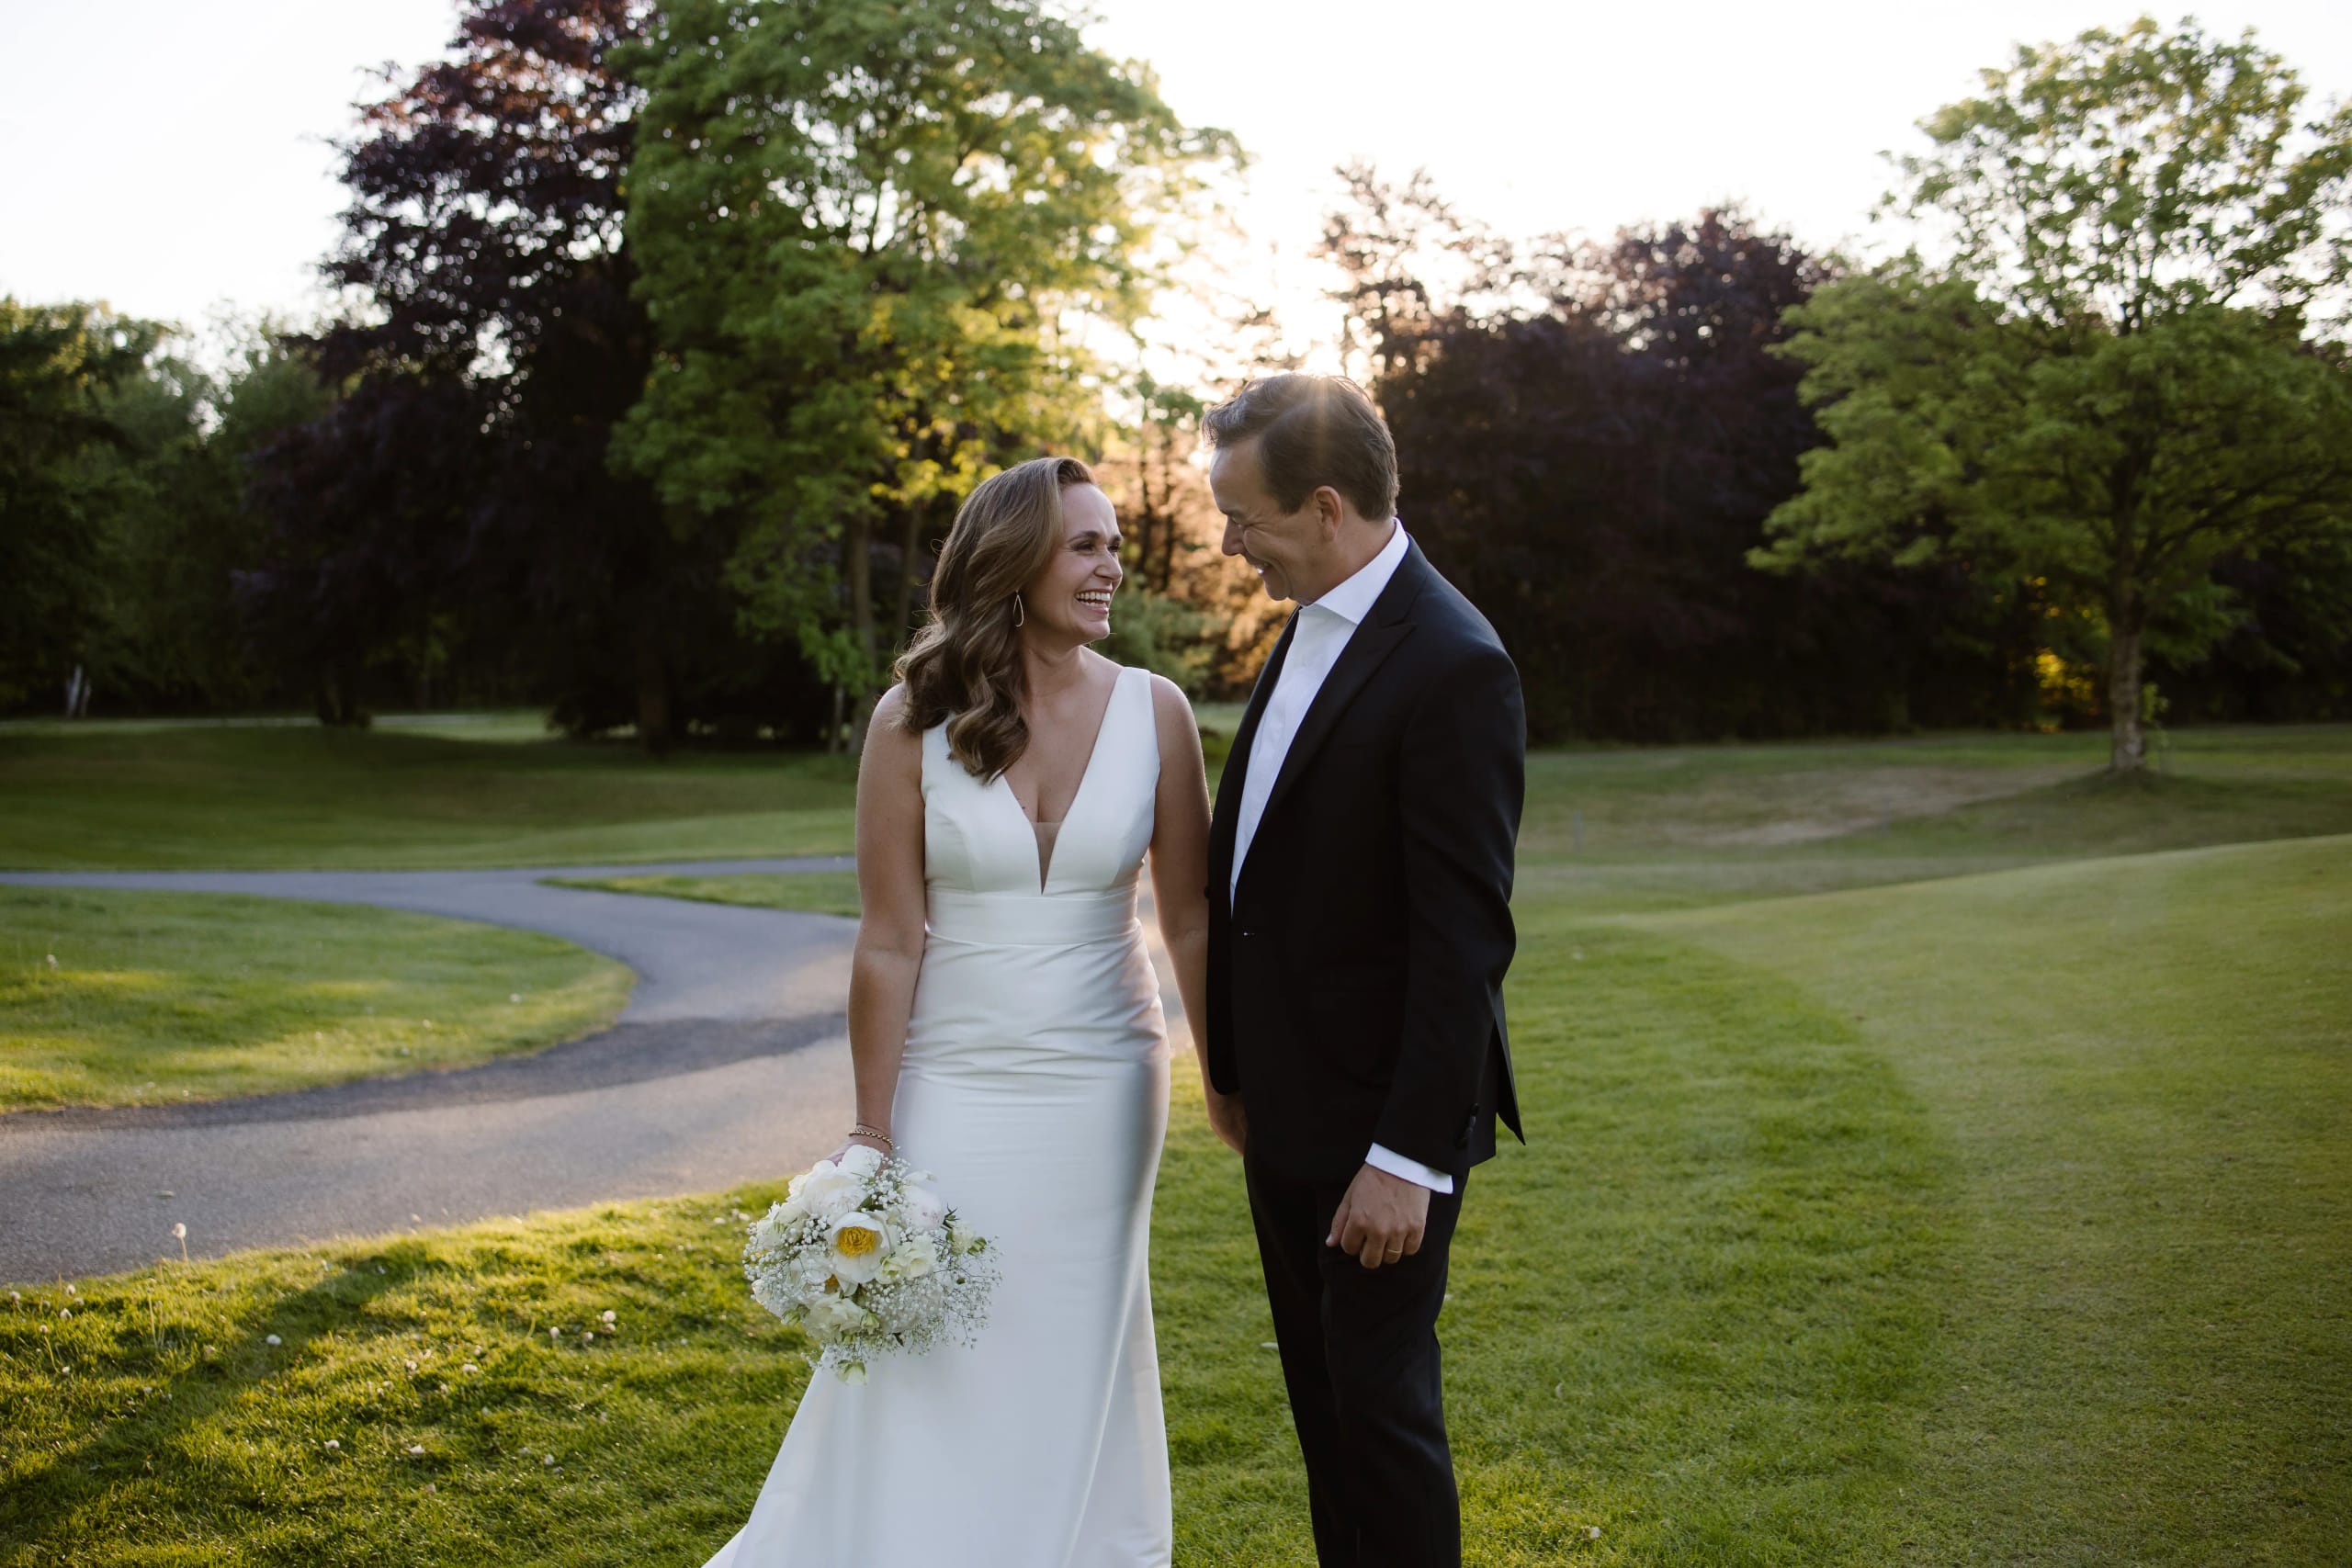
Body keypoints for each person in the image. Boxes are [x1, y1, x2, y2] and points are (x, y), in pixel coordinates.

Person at [701, 456, 1213, 1567]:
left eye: (1113, 542)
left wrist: (1225, 1083)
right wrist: (871, 1133)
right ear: (1013, 558)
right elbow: (890, 939)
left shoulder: (1158, 714)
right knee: (929, 1335)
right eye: (1085, 544)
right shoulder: (910, 719)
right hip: (953, 1078)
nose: (1110, 565)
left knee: (1076, 1330)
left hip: (1107, 1084)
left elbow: (1194, 926)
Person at [1201, 373, 1526, 1568]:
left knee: (1380, 1422)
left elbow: (1465, 937)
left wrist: (1407, 1157)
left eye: (1245, 519)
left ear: (1326, 505)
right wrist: (1233, 1067)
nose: (1230, 544)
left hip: (1381, 1137)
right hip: (1287, 1109)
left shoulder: (1453, 662)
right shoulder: (1309, 623)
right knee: (1326, 1417)